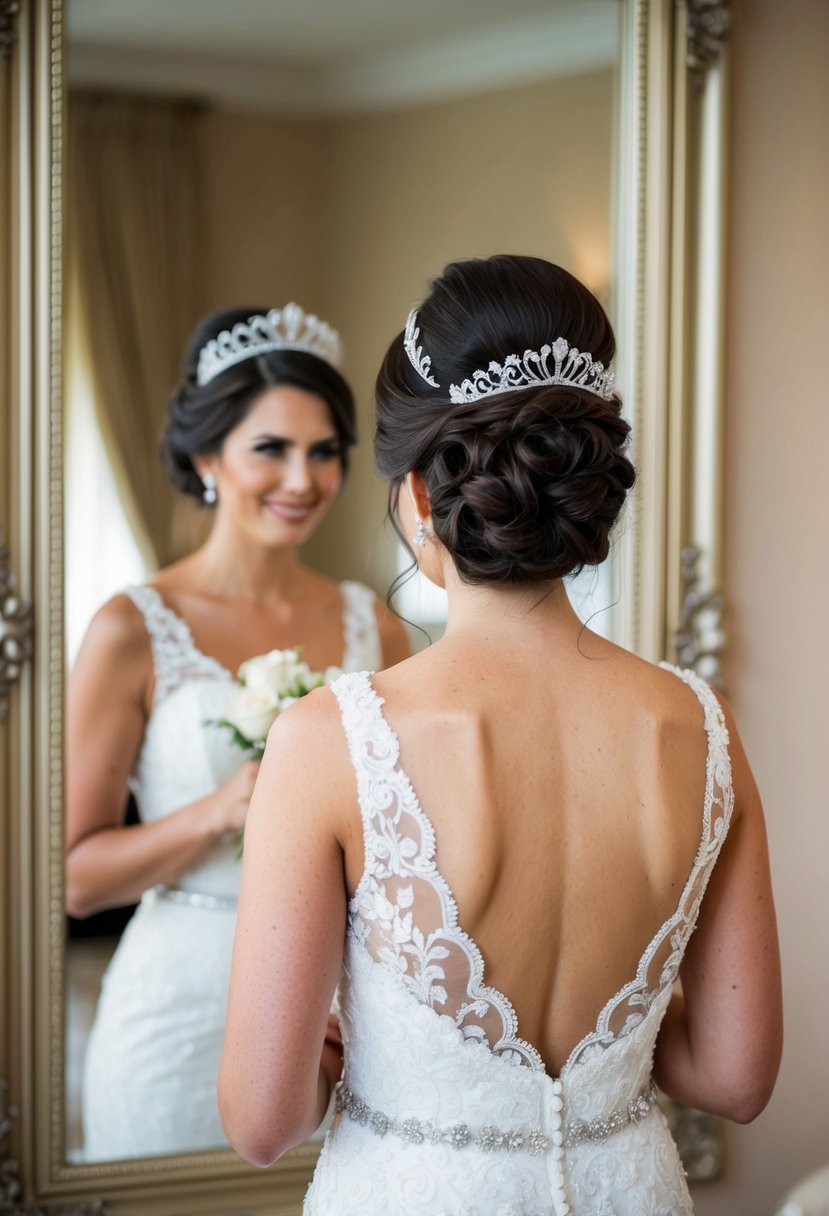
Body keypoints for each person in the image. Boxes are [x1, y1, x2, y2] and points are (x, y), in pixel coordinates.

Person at [219, 258, 782, 1215]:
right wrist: (627, 1025)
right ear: (585, 487)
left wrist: (335, 1041)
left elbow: (263, 1121)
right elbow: (733, 1079)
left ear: (421, 499)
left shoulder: (329, 740)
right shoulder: (700, 725)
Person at [66, 302, 409, 1162]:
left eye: (325, 451)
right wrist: (217, 812)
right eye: (272, 449)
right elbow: (73, 879)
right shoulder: (131, 628)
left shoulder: (376, 624)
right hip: (173, 1013)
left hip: (333, 1021)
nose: (303, 479)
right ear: (205, 455)